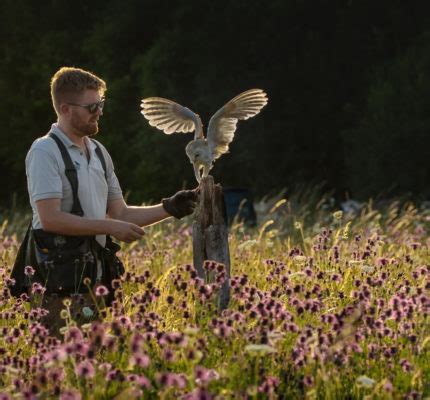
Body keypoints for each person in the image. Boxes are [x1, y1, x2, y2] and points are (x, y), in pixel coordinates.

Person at [13, 66, 198, 333]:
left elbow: (120, 214)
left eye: (101, 104)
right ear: (66, 109)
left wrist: (170, 207)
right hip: (55, 282)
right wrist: (110, 227)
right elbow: (49, 218)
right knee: (58, 363)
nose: (99, 112)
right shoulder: (44, 151)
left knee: (95, 362)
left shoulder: (99, 151)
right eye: (92, 107)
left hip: (95, 277)